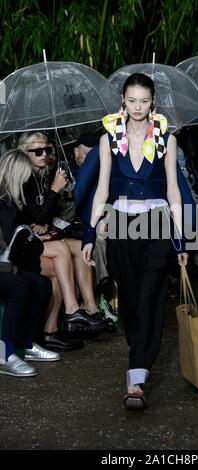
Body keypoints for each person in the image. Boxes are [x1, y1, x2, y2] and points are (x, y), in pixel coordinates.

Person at [82, 73, 188, 409]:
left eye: (144, 100)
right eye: (132, 100)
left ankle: (136, 376)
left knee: (151, 294)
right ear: (123, 102)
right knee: (129, 297)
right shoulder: (109, 139)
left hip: (157, 222)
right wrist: (88, 233)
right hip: (120, 224)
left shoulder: (166, 139)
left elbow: (174, 190)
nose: (138, 107)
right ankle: (138, 352)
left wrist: (182, 241)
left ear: (152, 101)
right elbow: (100, 189)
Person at [17, 132, 102, 339]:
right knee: (61, 251)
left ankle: (91, 308)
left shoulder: (43, 176)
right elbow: (36, 215)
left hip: (42, 238)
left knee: (81, 247)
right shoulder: (23, 178)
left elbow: (46, 217)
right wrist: (55, 190)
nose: (44, 154)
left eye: (47, 150)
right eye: (38, 151)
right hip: (23, 244)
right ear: (23, 153)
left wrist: (59, 193)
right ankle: (71, 311)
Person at [0, 149, 61, 376]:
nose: (28, 180)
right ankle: (5, 354)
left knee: (41, 284)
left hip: (7, 265)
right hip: (4, 268)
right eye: (24, 175)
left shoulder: (14, 202)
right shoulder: (3, 203)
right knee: (19, 286)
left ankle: (26, 343)